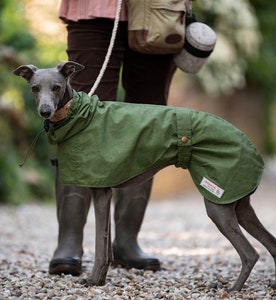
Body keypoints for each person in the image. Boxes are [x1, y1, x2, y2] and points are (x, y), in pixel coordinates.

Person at [49, 0, 177, 276]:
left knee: (148, 121)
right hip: (93, 9)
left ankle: (127, 240)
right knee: (79, 119)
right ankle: (69, 241)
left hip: (160, 11)